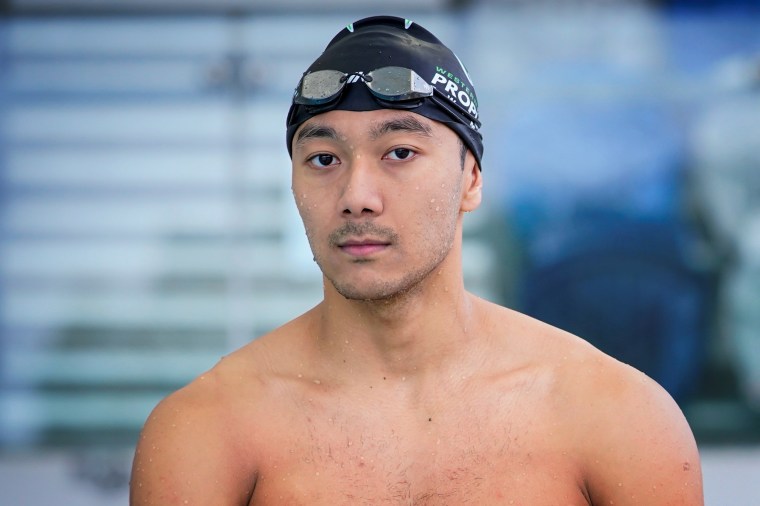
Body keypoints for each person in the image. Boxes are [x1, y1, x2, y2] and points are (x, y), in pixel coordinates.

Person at [130, 16, 703, 505]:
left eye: (399, 152)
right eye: (324, 158)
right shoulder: (211, 428)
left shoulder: (616, 419)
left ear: (470, 180)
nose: (357, 194)